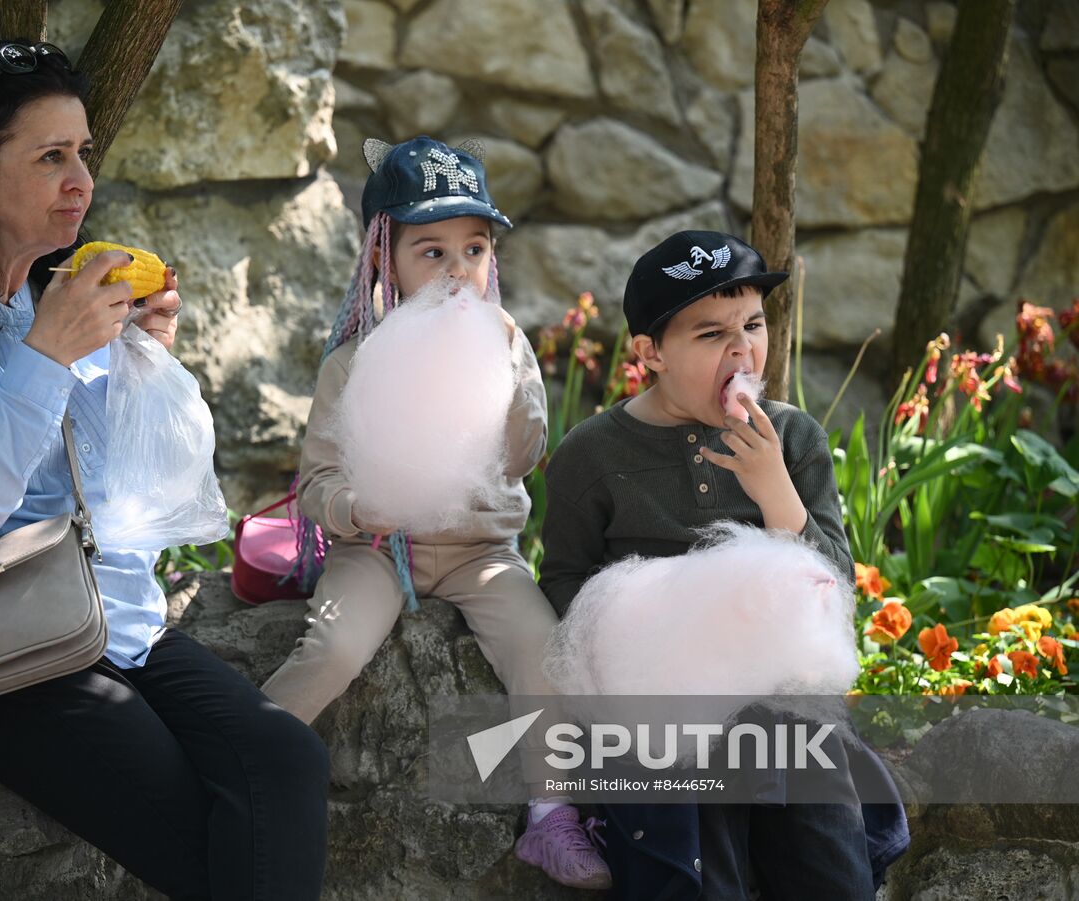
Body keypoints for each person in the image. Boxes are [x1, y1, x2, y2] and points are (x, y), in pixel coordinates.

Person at [0, 39, 329, 900]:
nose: (81, 182)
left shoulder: (53, 287)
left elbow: (132, 493)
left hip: (106, 621)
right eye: (50, 156)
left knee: (285, 758)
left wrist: (147, 360)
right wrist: (44, 359)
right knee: (207, 839)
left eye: (83, 153)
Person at [259, 135, 612, 890]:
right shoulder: (354, 361)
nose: (458, 271)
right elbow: (317, 483)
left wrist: (508, 374)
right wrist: (359, 507)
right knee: (333, 650)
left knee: (544, 655)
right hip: (377, 552)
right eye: (432, 251)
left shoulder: (505, 342)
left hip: (483, 552)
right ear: (383, 256)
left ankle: (553, 817)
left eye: (474, 249)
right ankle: (241, 755)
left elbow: (521, 455)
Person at [539, 230, 911, 899]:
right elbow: (564, 584)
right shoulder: (590, 455)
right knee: (698, 844)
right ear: (650, 352)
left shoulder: (793, 438)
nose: (743, 351)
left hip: (784, 696)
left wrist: (775, 491)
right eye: (711, 335)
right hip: (661, 709)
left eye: (754, 325)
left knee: (825, 852)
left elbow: (833, 587)